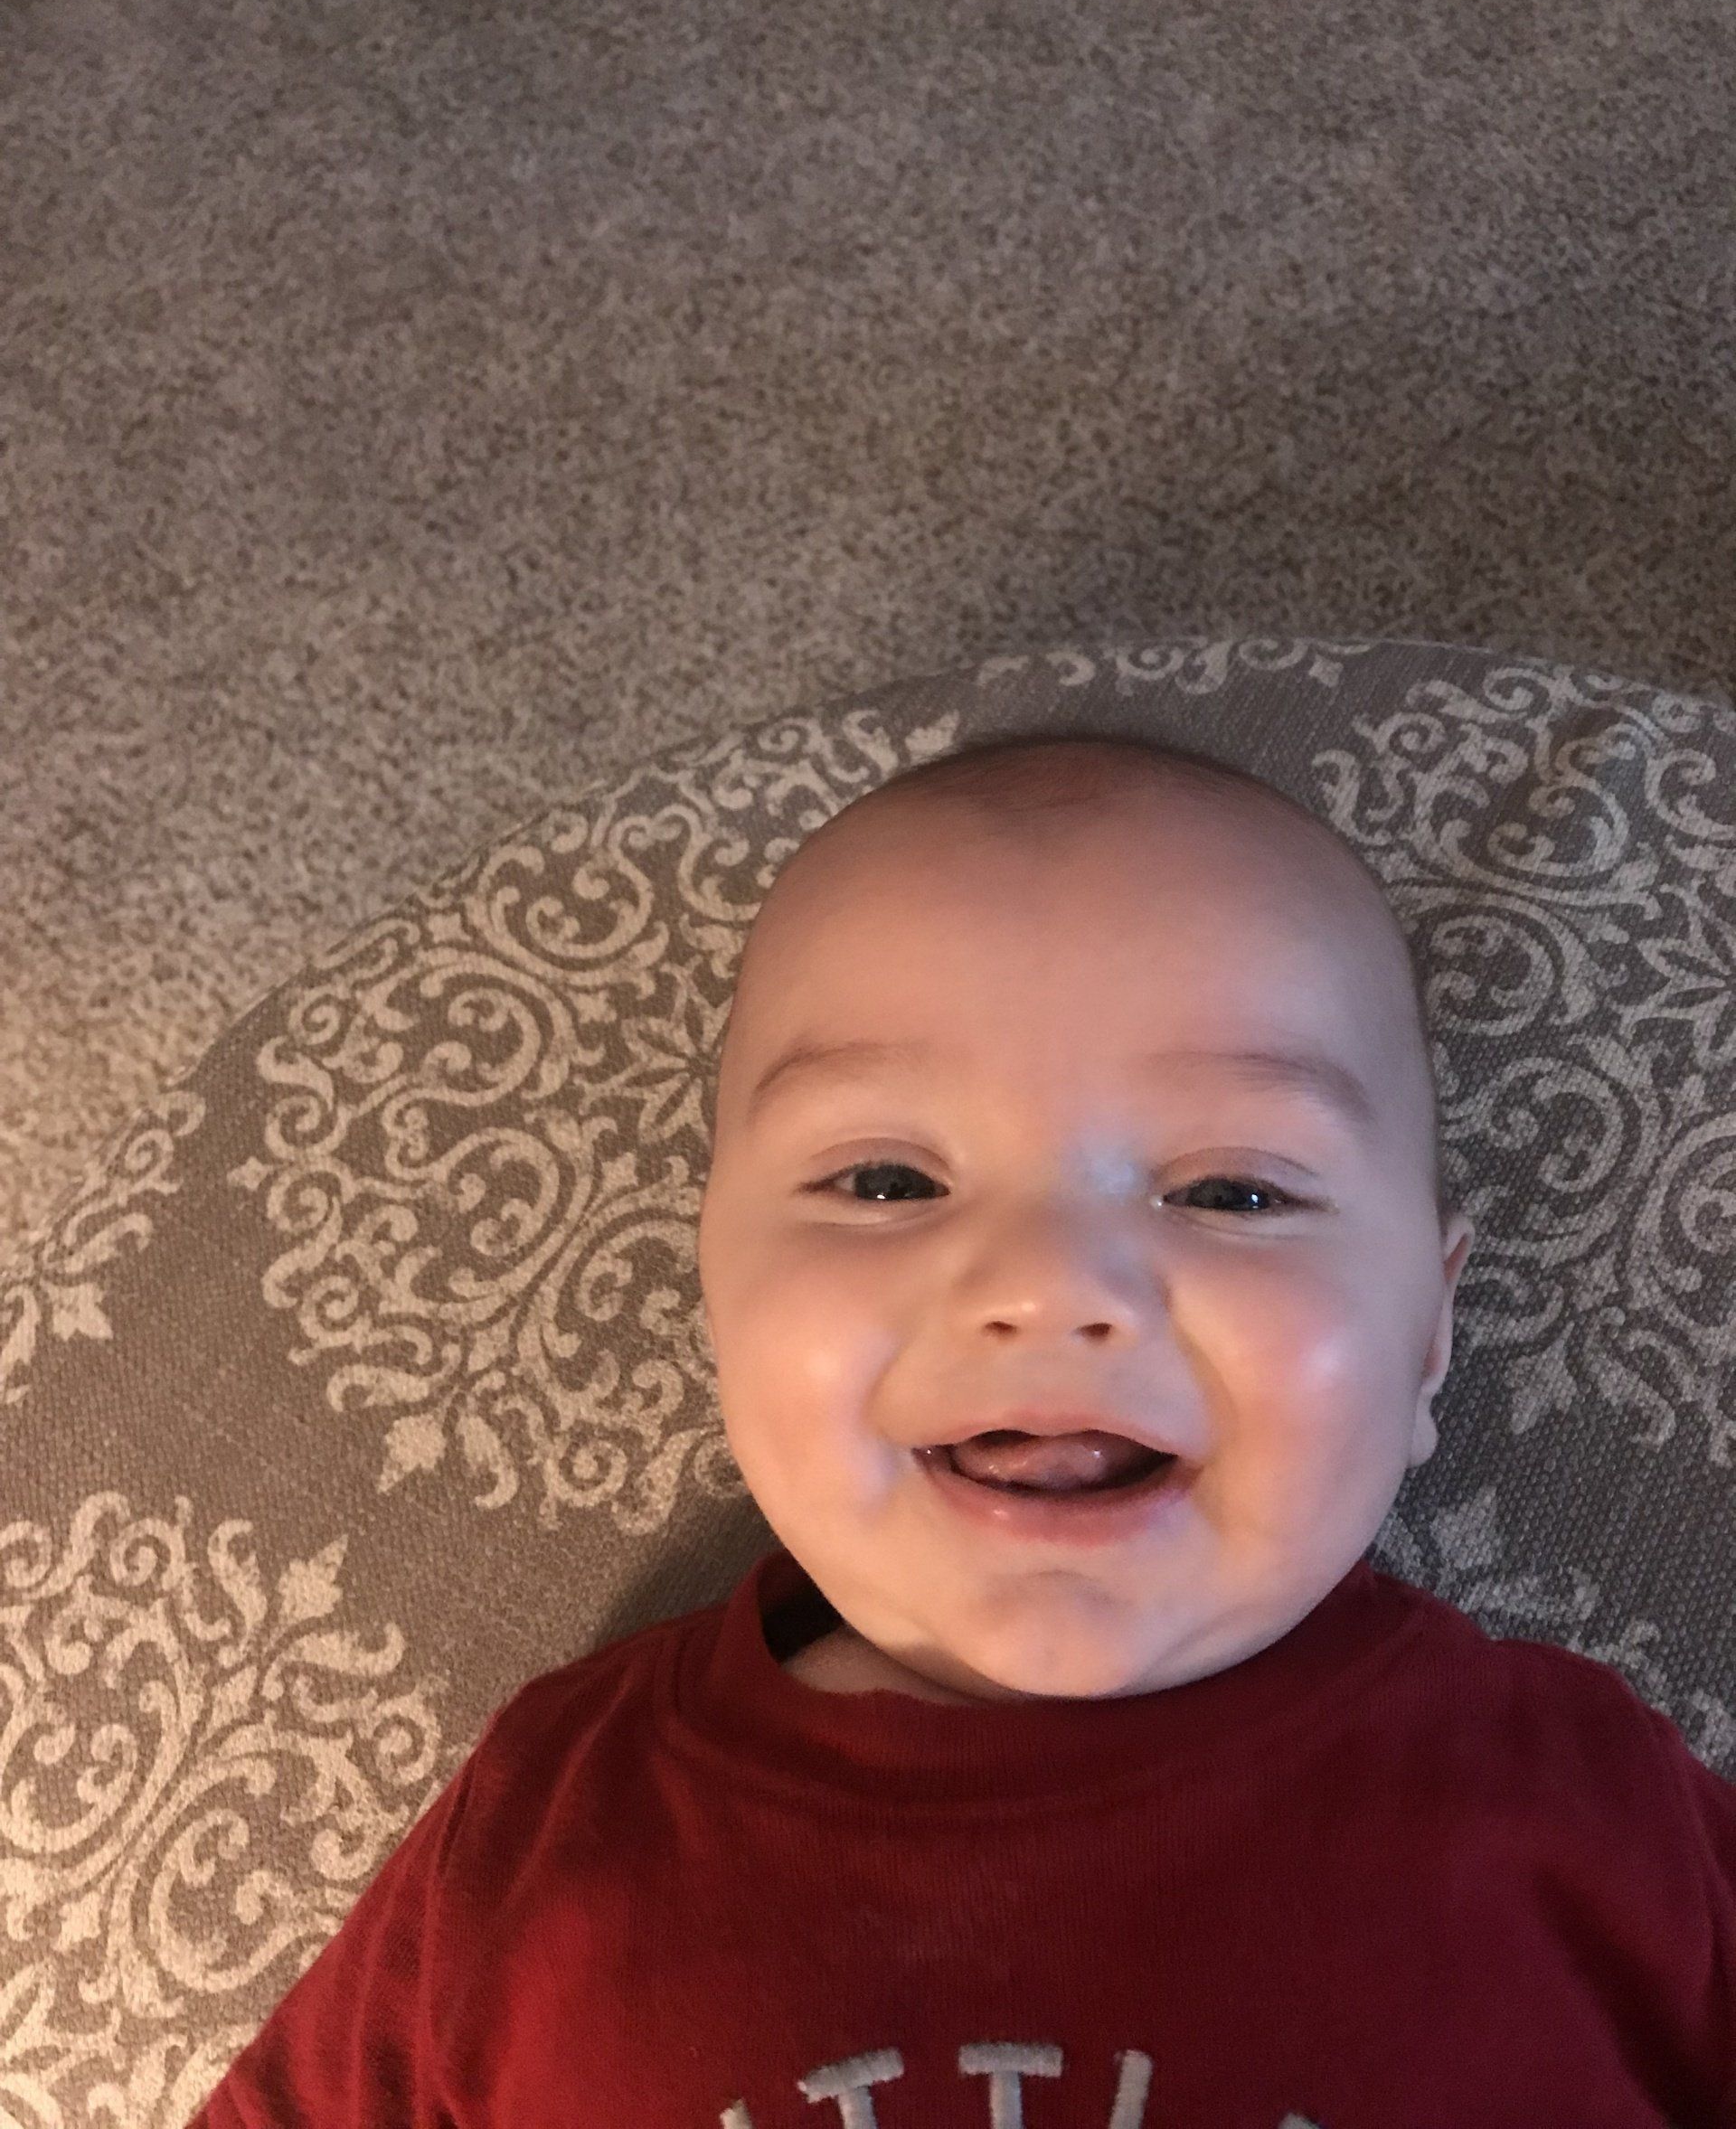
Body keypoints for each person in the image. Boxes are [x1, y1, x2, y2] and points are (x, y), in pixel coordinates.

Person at [184, 735, 1734, 2127]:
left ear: (1429, 1337)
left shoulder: (1595, 1807)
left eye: (1234, 1190)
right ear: (714, 1293)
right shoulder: (551, 1818)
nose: (1048, 1285)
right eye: (885, 1182)